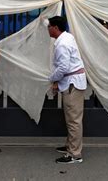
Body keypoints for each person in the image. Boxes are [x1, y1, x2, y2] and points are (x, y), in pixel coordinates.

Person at [47, 15, 86, 164]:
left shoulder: (62, 43)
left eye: (49, 26)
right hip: (72, 82)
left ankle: (75, 154)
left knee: (73, 120)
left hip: (72, 84)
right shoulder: (67, 37)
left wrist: (52, 78)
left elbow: (63, 67)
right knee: (72, 118)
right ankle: (71, 145)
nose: (48, 29)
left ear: (55, 28)